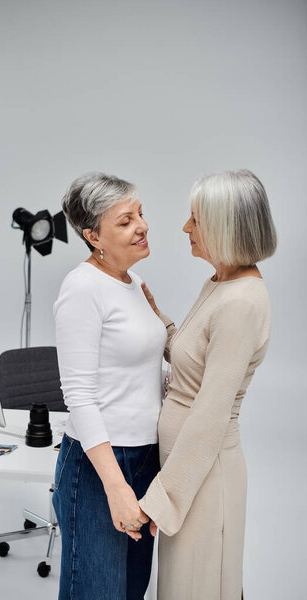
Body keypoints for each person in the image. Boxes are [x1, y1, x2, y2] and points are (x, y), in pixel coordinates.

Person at [138, 169, 277, 600]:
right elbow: (193, 360)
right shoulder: (221, 282)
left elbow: (209, 416)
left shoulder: (240, 302)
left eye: (195, 219)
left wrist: (161, 499)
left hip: (203, 475)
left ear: (223, 226)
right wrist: (155, 319)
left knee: (196, 589)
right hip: (189, 473)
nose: (185, 228)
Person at [52, 172, 166, 600]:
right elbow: (78, 395)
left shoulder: (133, 283)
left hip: (145, 460)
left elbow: (138, 370)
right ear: (92, 236)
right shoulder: (82, 288)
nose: (142, 226)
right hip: (100, 467)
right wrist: (117, 488)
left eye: (140, 214)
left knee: (132, 591)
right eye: (124, 221)